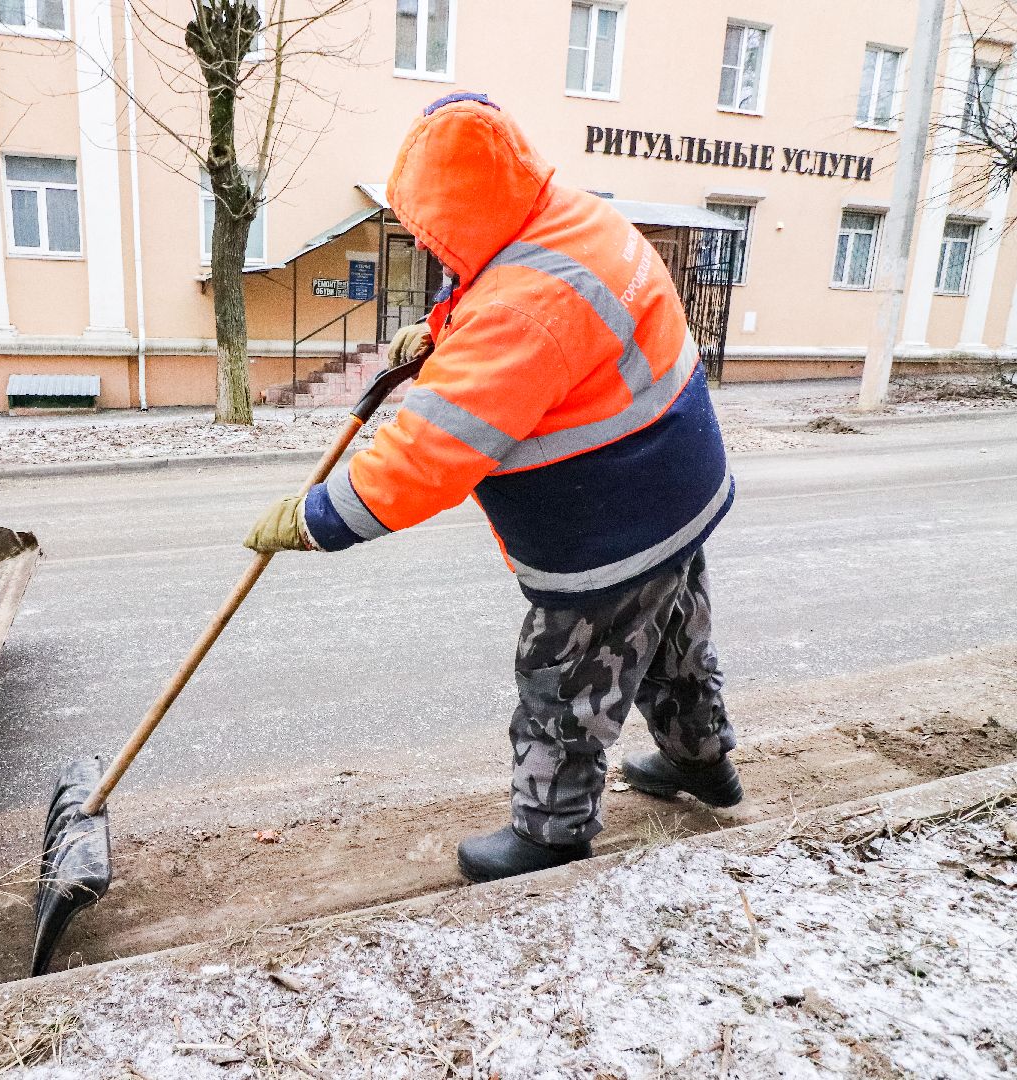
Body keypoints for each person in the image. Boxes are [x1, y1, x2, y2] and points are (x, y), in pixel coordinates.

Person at [243, 93, 741, 883]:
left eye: (432, 230)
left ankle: (551, 834)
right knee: (673, 637)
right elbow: (532, 314)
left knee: (566, 678)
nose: (427, 244)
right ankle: (705, 764)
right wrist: (442, 333)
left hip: (612, 522)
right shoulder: (571, 217)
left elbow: (428, 455)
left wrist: (314, 518)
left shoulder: (519, 308)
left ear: (460, 216)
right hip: (677, 489)